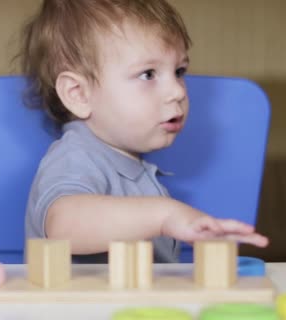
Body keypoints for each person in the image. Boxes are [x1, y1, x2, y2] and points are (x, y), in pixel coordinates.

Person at [17, 0, 268, 263]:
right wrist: (165, 216)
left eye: (179, 71)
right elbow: (64, 226)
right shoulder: (76, 157)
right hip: (83, 305)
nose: (178, 91)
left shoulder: (126, 161)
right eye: (148, 74)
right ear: (78, 94)